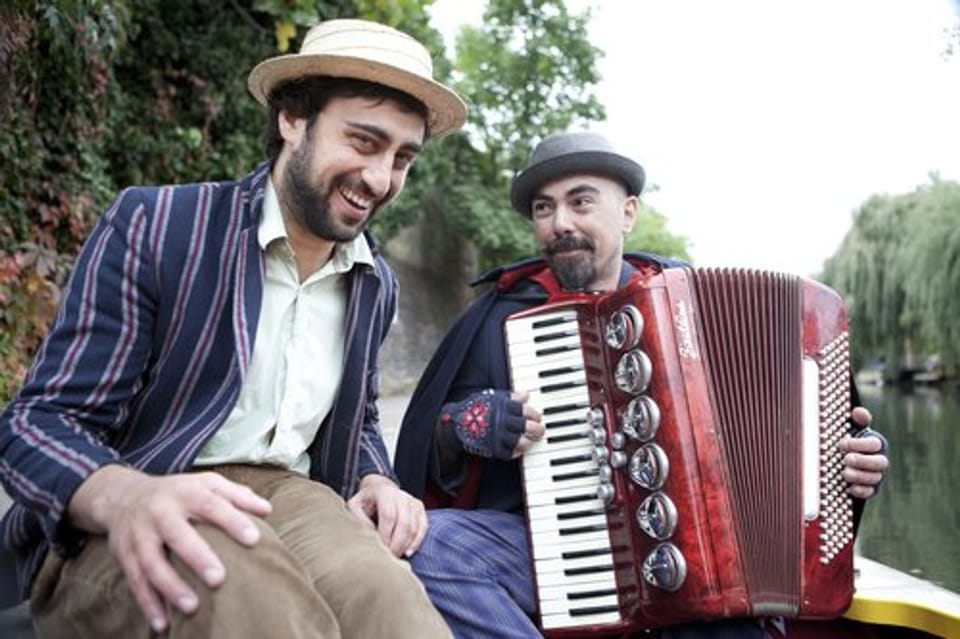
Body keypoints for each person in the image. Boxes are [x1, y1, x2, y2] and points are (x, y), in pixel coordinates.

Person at [0, 18, 468, 638]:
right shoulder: (159, 225)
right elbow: (37, 423)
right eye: (362, 141)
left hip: (292, 496)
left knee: (393, 606)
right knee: (252, 605)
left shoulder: (374, 283)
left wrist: (376, 476)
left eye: (401, 158)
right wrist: (125, 495)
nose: (381, 180)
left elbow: (361, 420)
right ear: (292, 120)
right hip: (137, 488)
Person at [394, 131, 890, 638]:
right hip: (555, 546)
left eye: (581, 201)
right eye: (545, 209)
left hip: (699, 560)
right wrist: (467, 423)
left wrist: (845, 462)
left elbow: (790, 436)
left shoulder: (690, 306)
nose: (560, 223)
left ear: (628, 212)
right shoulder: (502, 315)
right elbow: (432, 438)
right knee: (433, 545)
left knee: (725, 617)